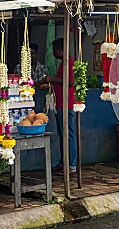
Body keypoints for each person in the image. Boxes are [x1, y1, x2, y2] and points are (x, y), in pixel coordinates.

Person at [45, 38, 77, 173]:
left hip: (67, 103)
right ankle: (63, 162)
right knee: (62, 134)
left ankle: (71, 165)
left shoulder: (70, 63)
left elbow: (71, 82)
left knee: (68, 134)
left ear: (59, 51)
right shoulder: (63, 64)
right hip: (60, 103)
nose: (53, 53)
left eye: (54, 50)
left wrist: (53, 79)